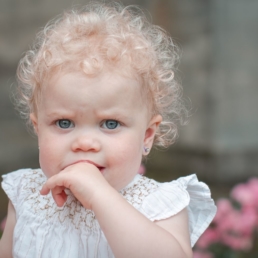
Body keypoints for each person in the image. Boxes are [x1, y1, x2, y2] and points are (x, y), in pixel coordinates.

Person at [0, 2, 216, 258]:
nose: (84, 142)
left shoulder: (159, 204)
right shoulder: (27, 194)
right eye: (64, 123)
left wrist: (100, 196)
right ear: (38, 130)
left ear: (147, 135)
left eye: (110, 124)